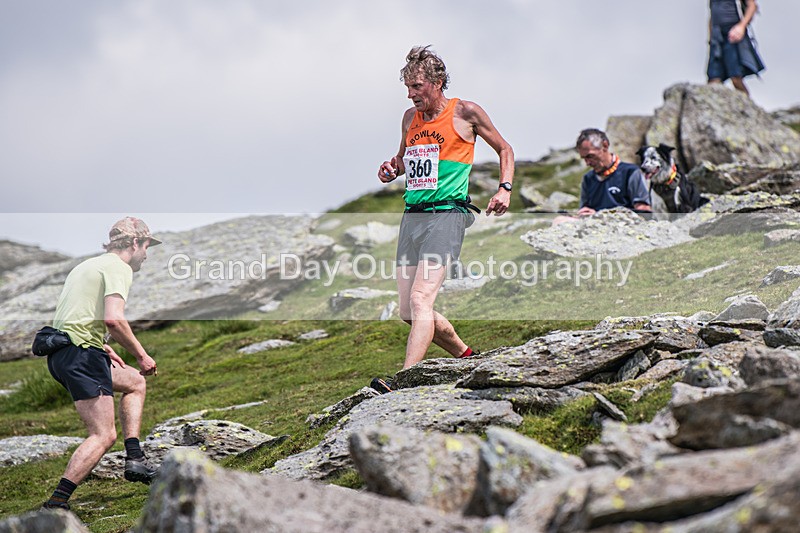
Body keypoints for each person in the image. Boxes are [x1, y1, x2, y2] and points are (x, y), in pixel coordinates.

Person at [372, 45, 514, 393]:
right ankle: (466, 356)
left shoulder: (465, 112)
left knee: (422, 300)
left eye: (417, 86)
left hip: (448, 214)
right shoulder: (409, 118)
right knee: (408, 311)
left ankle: (404, 380)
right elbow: (404, 160)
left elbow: (505, 149)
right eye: (407, 87)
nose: (411, 94)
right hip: (413, 217)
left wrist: (504, 188)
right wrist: (393, 168)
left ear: (437, 81)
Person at [42, 217, 162, 510]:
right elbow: (113, 318)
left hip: (64, 352)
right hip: (81, 355)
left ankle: (135, 459)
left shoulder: (86, 266)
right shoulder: (118, 268)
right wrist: (142, 355)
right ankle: (57, 502)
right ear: (135, 243)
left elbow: (77, 316)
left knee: (134, 381)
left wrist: (103, 345)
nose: (146, 254)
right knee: (103, 434)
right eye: (147, 246)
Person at [553, 128, 651, 226]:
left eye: (590, 156)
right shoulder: (588, 179)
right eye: (584, 158)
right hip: (592, 226)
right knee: (559, 220)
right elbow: (585, 210)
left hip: (621, 227)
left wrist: (601, 215)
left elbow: (644, 211)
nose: (587, 163)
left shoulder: (631, 172)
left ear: (605, 146)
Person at [707, 0, 765, 96]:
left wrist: (741, 26)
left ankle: (747, 106)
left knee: (736, 77)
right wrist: (710, 38)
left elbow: (752, 6)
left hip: (733, 33)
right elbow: (712, 14)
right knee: (714, 79)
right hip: (717, 37)